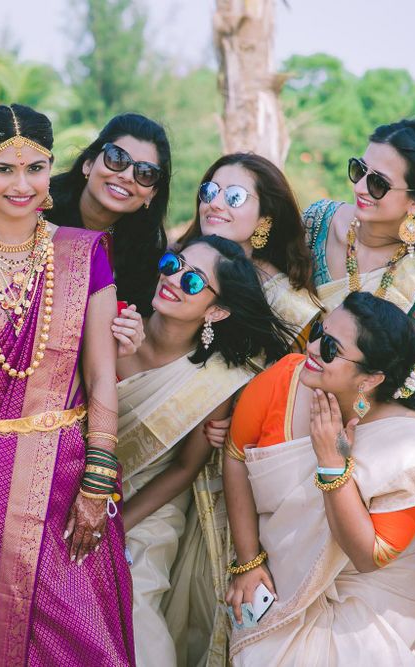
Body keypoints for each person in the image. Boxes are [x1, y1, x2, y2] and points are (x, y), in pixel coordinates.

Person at [0, 103, 135, 666]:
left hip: (71, 473)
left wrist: (98, 478)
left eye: (36, 168)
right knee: (3, 633)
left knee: (90, 641)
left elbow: (101, 373)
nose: (21, 184)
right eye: (3, 169)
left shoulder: (84, 254)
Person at [224, 292, 415, 665]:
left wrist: (332, 464)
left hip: (370, 599)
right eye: (319, 331)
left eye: (332, 348)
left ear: (371, 378)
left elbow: (369, 556)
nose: (314, 348)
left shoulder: (411, 446)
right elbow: (236, 454)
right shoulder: (287, 378)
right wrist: (248, 562)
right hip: (281, 578)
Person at [115, 236, 292, 666]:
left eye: (193, 281)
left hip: (149, 506)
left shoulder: (213, 382)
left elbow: (183, 469)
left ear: (217, 311)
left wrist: (117, 526)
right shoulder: (114, 326)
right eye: (173, 263)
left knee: (133, 608)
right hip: (74, 481)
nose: (173, 279)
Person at [302, 119, 415, 400]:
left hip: (364, 418)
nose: (360, 187)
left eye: (378, 183)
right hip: (284, 390)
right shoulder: (316, 225)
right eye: (359, 170)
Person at [47, 113, 173, 354]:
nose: (126, 176)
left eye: (145, 173)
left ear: (152, 194)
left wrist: (128, 338)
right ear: (88, 164)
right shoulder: (37, 212)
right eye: (117, 159)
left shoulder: (143, 254)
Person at [178, 153, 320, 347]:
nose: (214, 204)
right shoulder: (172, 264)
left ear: (265, 217)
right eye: (210, 191)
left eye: (234, 196)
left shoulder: (288, 305)